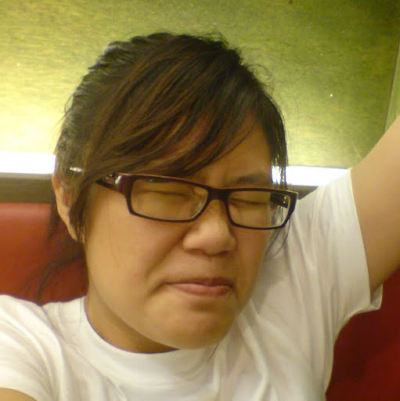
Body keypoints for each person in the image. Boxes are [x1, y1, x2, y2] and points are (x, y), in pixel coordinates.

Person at [0, 32, 399, 401]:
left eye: (249, 197)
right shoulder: (22, 346)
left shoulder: (288, 282)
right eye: (166, 191)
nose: (216, 235)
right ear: (70, 197)